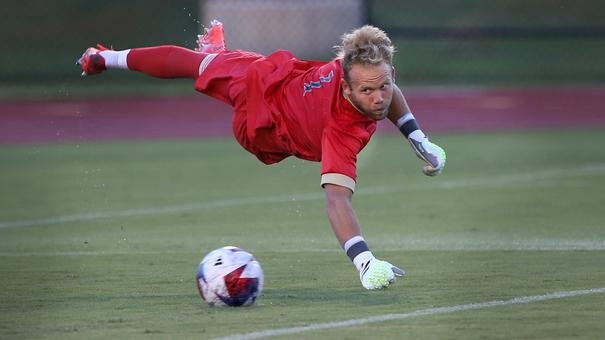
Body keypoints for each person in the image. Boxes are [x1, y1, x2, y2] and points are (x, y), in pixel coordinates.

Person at [77, 21, 446, 290]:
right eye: (367, 91)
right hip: (259, 118)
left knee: (207, 63)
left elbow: (387, 88)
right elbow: (336, 202)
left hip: (279, 76)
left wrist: (418, 138)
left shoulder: (357, 71)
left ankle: (216, 56)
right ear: (346, 88)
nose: (379, 97)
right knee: (192, 64)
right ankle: (106, 58)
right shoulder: (342, 130)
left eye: (384, 85)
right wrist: (365, 262)